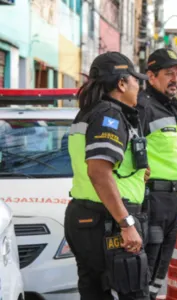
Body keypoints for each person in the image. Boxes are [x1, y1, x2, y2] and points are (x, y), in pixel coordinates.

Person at [64, 52, 150, 300]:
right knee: (134, 293)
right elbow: (99, 172)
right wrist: (126, 224)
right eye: (136, 80)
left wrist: (136, 176)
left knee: (95, 293)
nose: (139, 87)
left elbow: (106, 167)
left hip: (89, 217)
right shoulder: (109, 115)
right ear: (121, 84)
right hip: (108, 221)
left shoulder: (90, 112)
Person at [135, 48, 177, 299]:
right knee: (145, 268)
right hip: (152, 201)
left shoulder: (168, 108)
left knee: (160, 269)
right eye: (169, 73)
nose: (175, 79)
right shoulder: (143, 106)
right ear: (151, 76)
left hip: (173, 200)